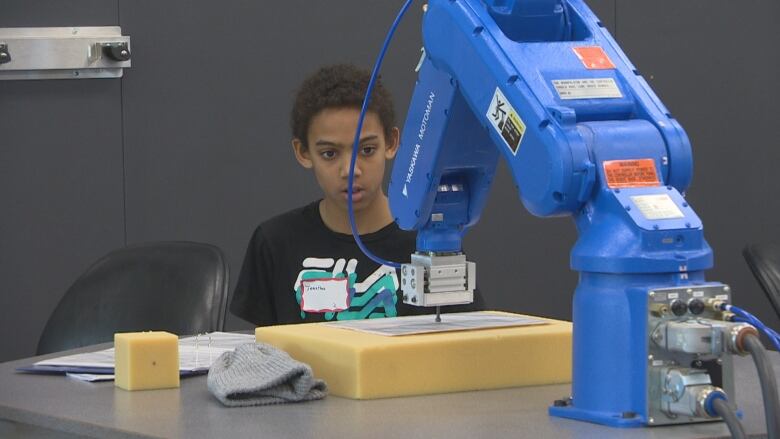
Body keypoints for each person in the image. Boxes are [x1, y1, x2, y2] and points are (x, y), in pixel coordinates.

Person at [230, 64, 482, 326]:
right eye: (330, 153)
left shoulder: (432, 243)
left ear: (392, 143)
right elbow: (255, 359)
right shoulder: (275, 242)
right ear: (303, 152)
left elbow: (463, 347)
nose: (350, 170)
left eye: (367, 150)